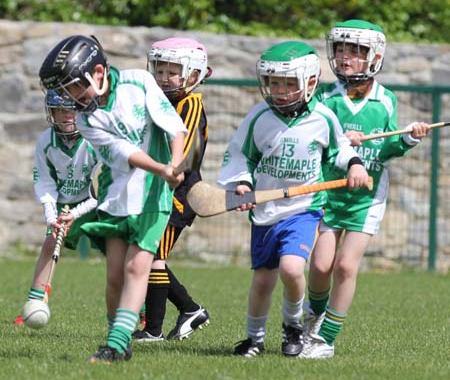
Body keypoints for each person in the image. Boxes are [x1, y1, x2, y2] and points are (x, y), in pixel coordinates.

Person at [39, 35, 187, 363]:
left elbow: (175, 127)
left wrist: (174, 164)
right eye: (64, 91)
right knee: (115, 276)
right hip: (117, 195)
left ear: (98, 72)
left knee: (137, 267)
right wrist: (162, 167)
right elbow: (124, 153)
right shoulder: (85, 119)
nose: (69, 97)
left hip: (153, 196)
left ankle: (116, 346)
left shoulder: (139, 81)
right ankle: (117, 334)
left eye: (73, 87)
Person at [217, 40, 369, 358]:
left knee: (291, 268)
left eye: (289, 83)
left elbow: (341, 149)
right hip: (266, 211)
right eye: (274, 83)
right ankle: (254, 339)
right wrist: (242, 184)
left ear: (310, 83)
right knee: (262, 281)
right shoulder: (259, 117)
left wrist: (354, 164)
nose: (280, 90)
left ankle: (293, 327)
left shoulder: (323, 117)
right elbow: (239, 156)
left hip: (303, 209)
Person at [299, 19, 430, 359]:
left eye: (355, 51)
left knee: (345, 266)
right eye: (341, 49)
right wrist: (340, 141)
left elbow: (387, 149)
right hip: (328, 192)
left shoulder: (386, 101)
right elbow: (313, 142)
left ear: (374, 57)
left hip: (367, 197)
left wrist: (408, 138)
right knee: (320, 265)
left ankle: (325, 339)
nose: (344, 57)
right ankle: (314, 313)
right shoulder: (325, 97)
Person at [131, 37, 212, 342]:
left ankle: (153, 329)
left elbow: (186, 149)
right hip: (155, 190)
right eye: (159, 70)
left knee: (154, 256)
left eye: (172, 71)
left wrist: (171, 173)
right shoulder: (156, 102)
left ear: (193, 74)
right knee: (150, 254)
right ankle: (190, 309)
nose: (164, 77)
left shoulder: (190, 103)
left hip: (177, 195)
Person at [16, 90, 99, 324]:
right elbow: (44, 181)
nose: (66, 115)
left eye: (72, 109)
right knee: (50, 244)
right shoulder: (46, 141)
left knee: (118, 253)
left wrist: (76, 213)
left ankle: (143, 313)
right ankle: (35, 302)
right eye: (60, 110)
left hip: (95, 203)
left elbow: (101, 189)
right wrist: (51, 214)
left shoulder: (96, 139)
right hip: (63, 203)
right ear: (51, 112)